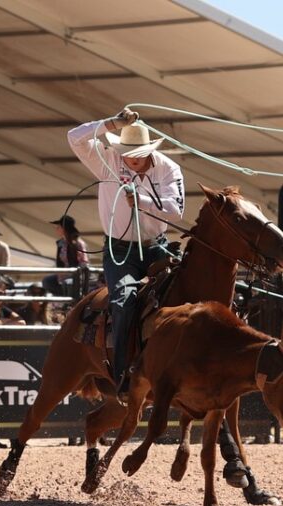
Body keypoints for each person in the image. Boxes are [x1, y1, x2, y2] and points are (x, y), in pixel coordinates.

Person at [68, 108, 185, 398]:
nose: (130, 159)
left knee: (186, 298)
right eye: (127, 152)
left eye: (137, 154)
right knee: (123, 300)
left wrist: (142, 201)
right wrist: (111, 123)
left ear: (149, 151)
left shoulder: (168, 169)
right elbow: (74, 138)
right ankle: (123, 375)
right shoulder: (109, 160)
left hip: (156, 245)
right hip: (119, 249)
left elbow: (176, 210)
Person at [43, 215, 89, 298]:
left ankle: (70, 303)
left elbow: (84, 263)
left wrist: (74, 273)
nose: (56, 229)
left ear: (64, 229)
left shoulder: (79, 243)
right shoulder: (61, 243)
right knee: (47, 281)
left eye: (59, 227)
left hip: (75, 276)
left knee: (69, 283)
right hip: (63, 276)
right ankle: (64, 300)